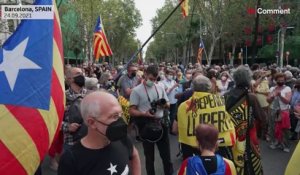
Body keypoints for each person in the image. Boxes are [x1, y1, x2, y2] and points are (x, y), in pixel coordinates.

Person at [58, 91, 141, 175]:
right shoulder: (71, 160)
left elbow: (134, 154)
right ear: (92, 123)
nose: (121, 121)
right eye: (114, 116)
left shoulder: (122, 138)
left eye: (120, 115)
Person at [175, 75, 236, 160]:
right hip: (218, 149)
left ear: (193, 88)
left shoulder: (184, 106)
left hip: (192, 152)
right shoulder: (221, 102)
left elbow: (175, 129)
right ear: (209, 87)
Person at [129, 65, 173, 175]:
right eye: (150, 79)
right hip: (146, 125)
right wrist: (144, 114)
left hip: (162, 124)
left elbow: (168, 103)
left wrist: (164, 105)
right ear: (145, 74)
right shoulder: (136, 91)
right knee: (149, 158)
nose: (152, 81)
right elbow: (131, 110)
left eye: (155, 79)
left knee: (166, 155)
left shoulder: (160, 87)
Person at [225, 65, 264, 175]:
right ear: (248, 79)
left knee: (234, 163)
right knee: (251, 166)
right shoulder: (251, 97)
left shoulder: (225, 96)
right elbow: (261, 118)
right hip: (249, 136)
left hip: (231, 136)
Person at [62, 67, 87, 150]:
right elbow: (53, 120)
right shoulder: (62, 96)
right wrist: (67, 126)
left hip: (89, 141)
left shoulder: (91, 95)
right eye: (78, 74)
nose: (81, 76)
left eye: (82, 73)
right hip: (71, 143)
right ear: (70, 79)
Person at [267, 73, 292, 152]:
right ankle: (274, 142)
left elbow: (287, 101)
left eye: (282, 80)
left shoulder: (287, 88)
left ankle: (285, 145)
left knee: (284, 128)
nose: (280, 81)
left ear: (285, 80)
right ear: (276, 80)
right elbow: (268, 100)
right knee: (272, 127)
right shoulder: (272, 89)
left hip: (283, 111)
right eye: (279, 80)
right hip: (273, 110)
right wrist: (272, 97)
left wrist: (280, 95)